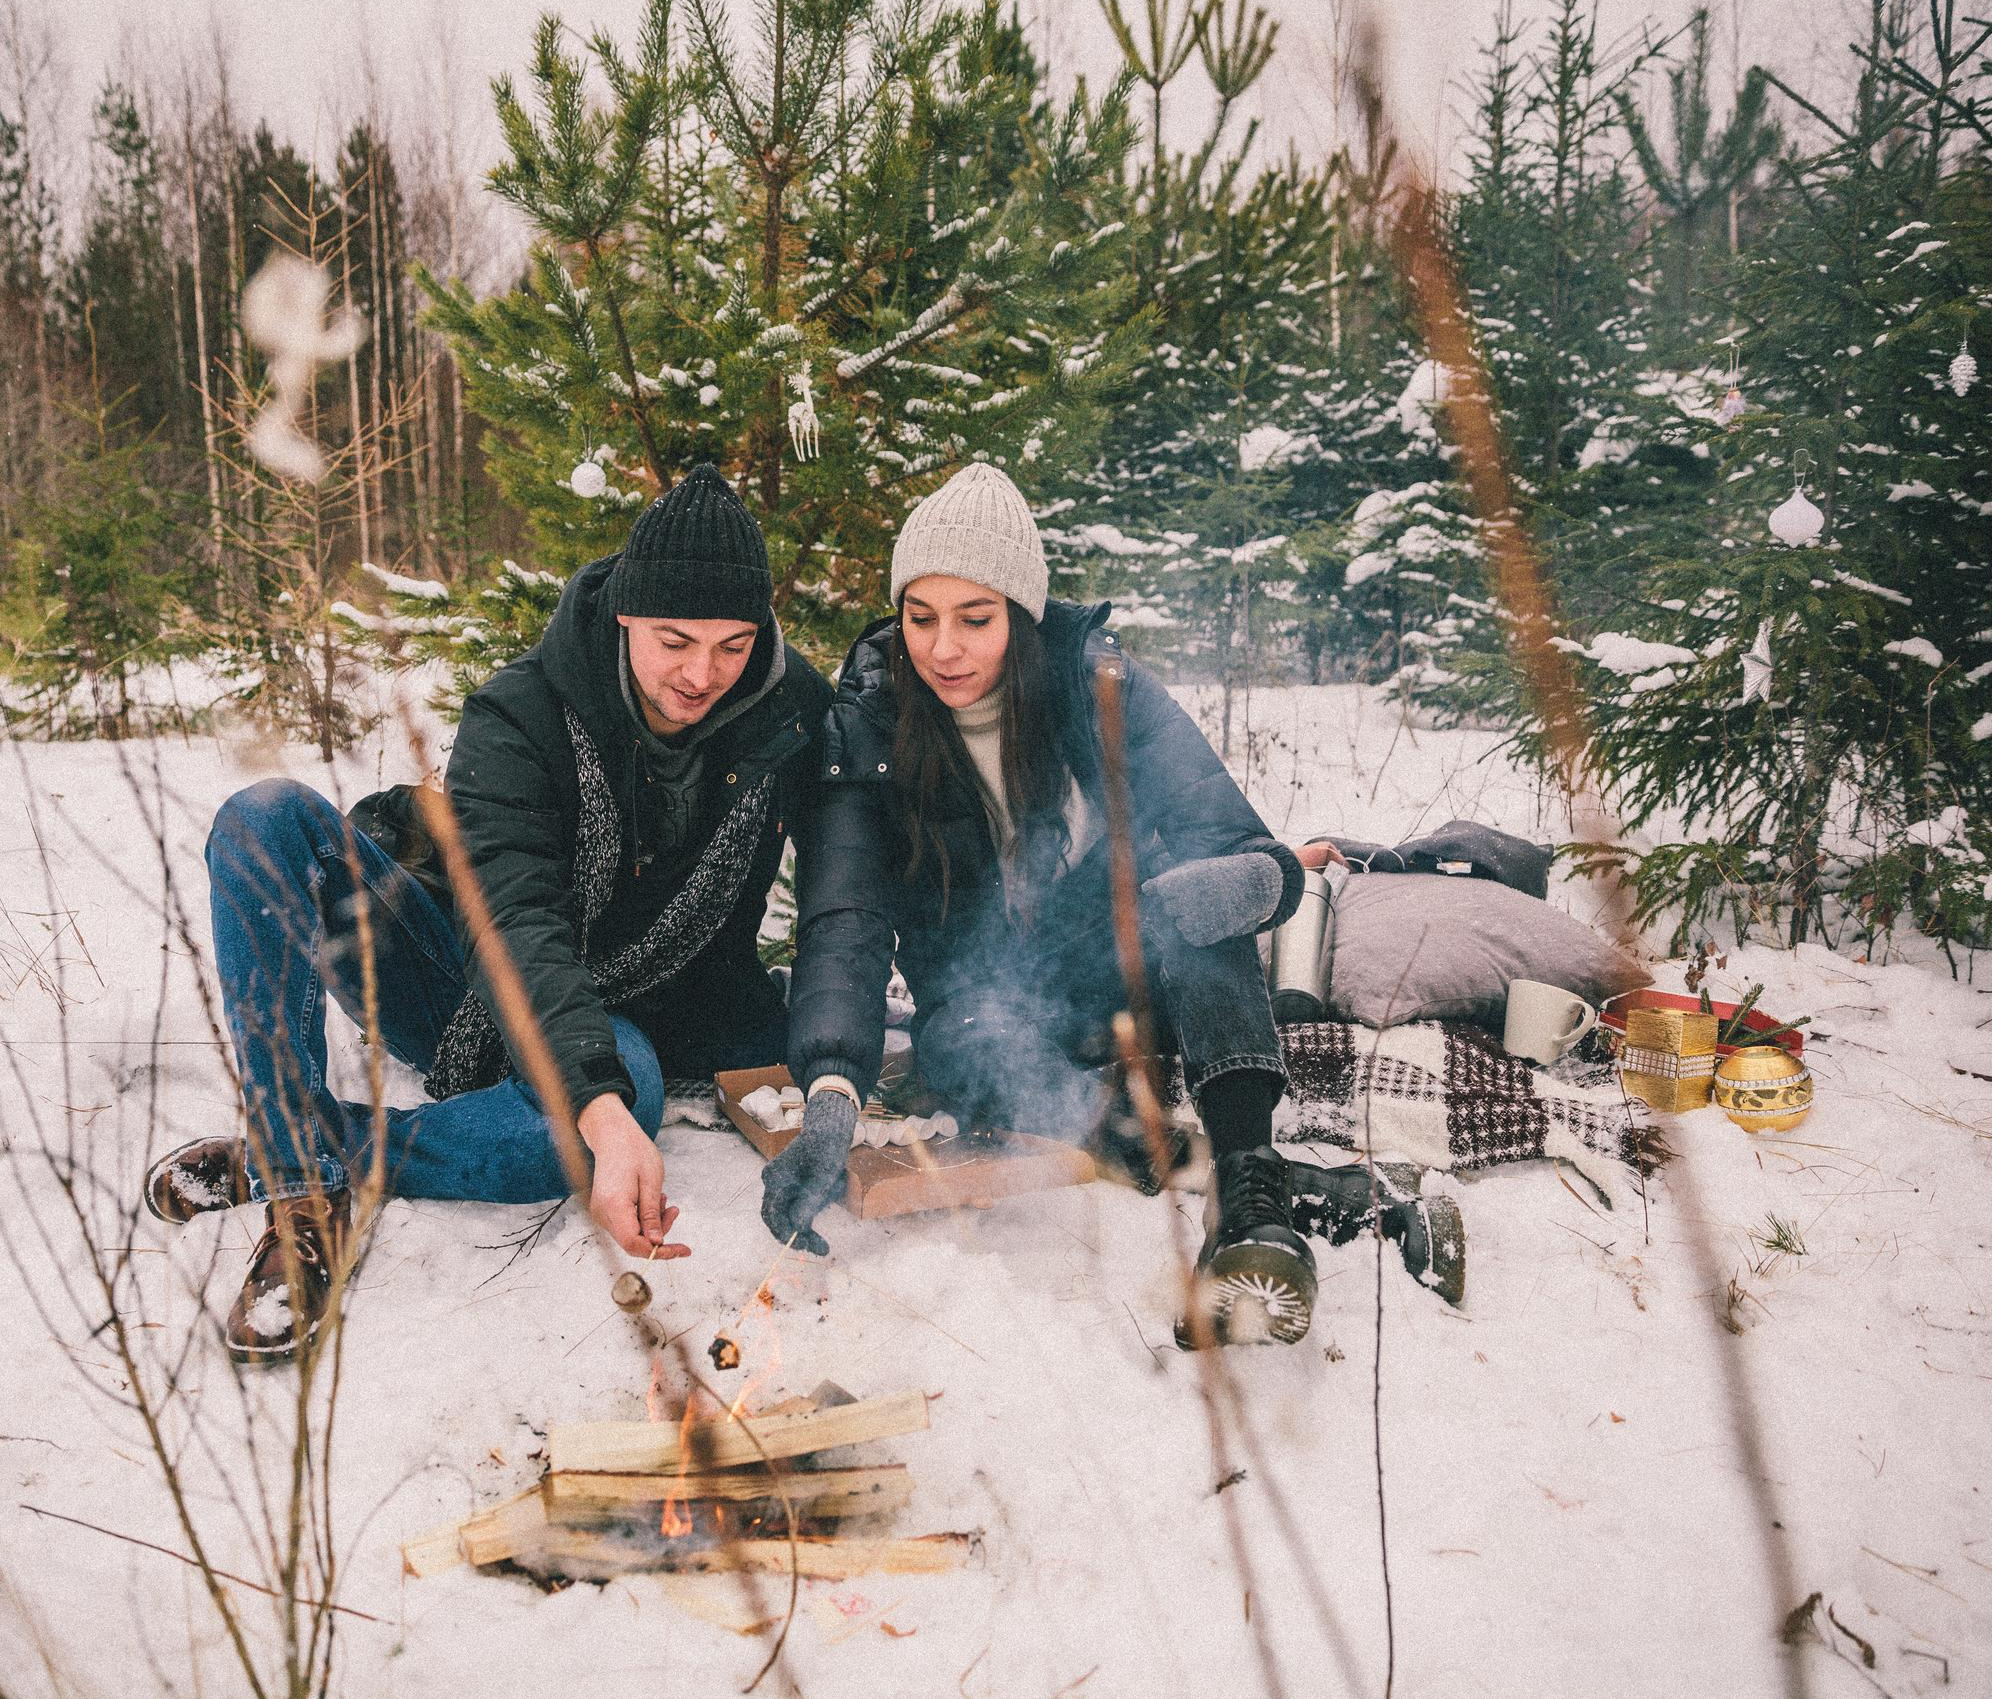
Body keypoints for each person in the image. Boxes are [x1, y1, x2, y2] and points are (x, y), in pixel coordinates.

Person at [149, 463, 832, 1363]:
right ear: (627, 613)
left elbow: (844, 894)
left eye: (732, 645)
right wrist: (595, 1101)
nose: (702, 673)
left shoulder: (790, 716)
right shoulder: (522, 713)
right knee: (261, 818)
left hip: (624, 1011)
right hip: (452, 966)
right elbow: (513, 922)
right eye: (675, 640)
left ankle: (300, 1141)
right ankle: (305, 1191)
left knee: (628, 1091)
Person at [767, 463, 1335, 1346]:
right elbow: (845, 916)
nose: (943, 649)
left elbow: (1228, 834)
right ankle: (1154, 1150)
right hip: (983, 1001)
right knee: (958, 1043)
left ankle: (1254, 1195)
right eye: (921, 618)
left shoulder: (1093, 681)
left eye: (975, 619)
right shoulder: (870, 723)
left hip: (1114, 952)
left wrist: (1267, 880)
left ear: (1022, 615)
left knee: (1192, 908)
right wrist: (833, 1088)